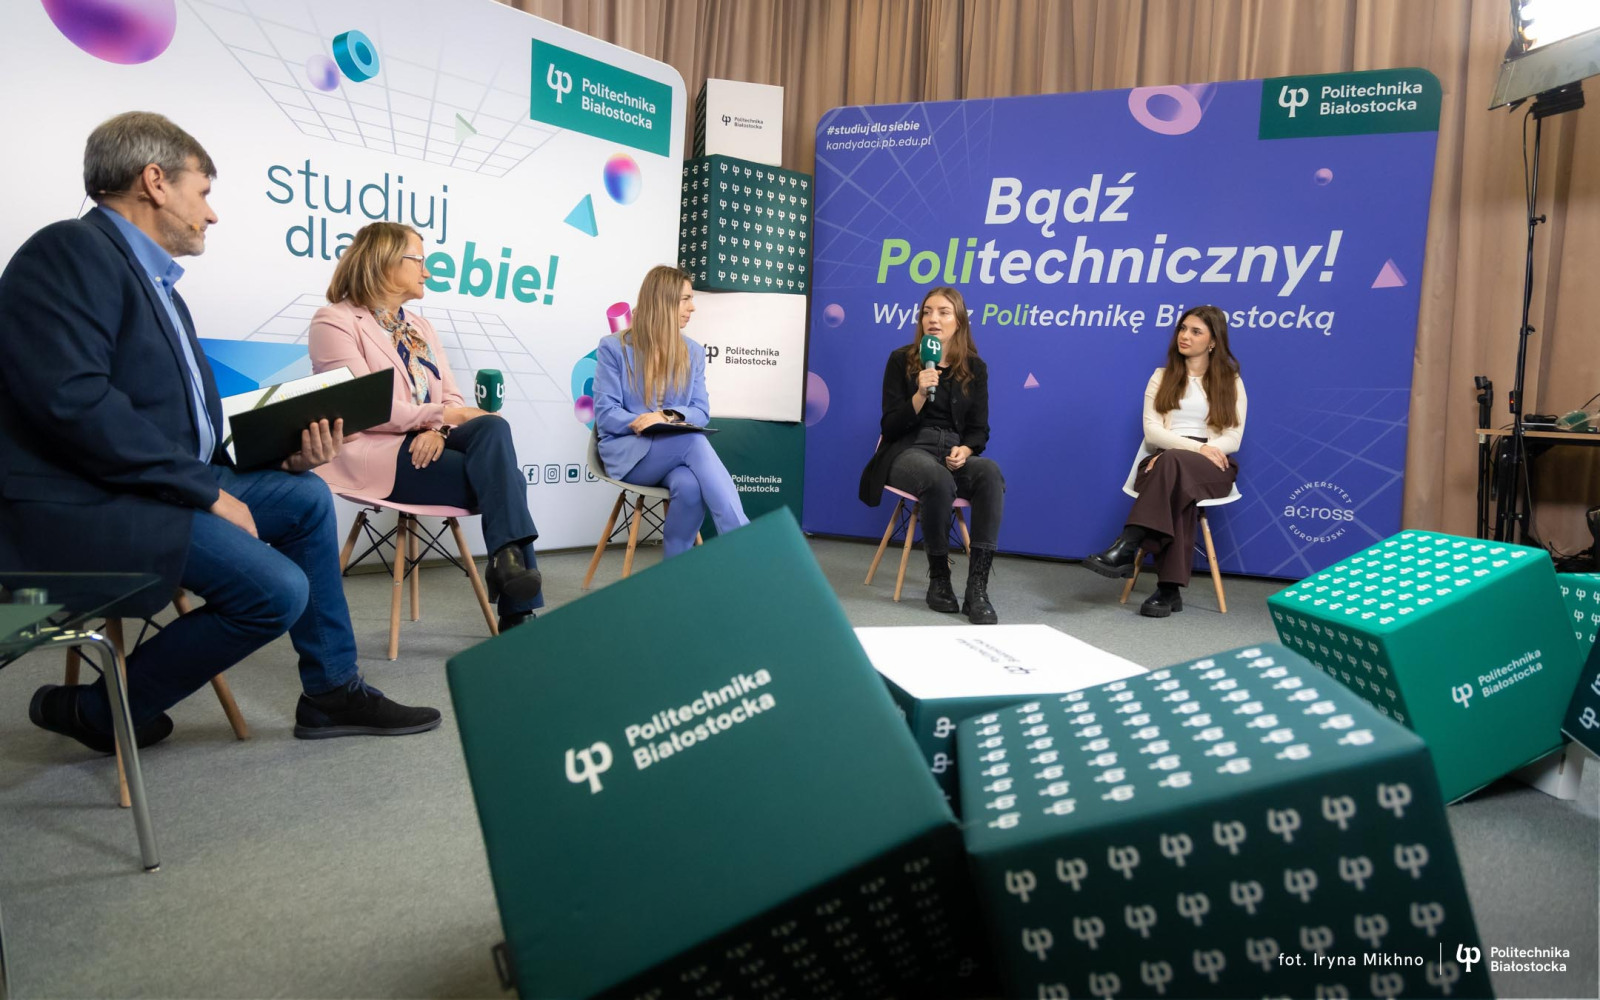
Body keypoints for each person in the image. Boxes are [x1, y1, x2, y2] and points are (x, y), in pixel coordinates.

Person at [0, 111, 440, 750]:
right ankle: (102, 709)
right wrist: (207, 492)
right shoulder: (68, 251)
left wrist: (282, 453)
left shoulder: (160, 287)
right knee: (276, 591)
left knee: (306, 496)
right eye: (203, 192)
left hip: (158, 484)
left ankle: (330, 691)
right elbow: (75, 403)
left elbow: (185, 425)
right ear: (155, 181)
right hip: (96, 501)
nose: (212, 214)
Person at [308, 223, 542, 631]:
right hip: (376, 452)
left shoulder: (421, 327)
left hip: (429, 441)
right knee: (510, 482)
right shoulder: (334, 322)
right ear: (384, 261)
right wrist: (443, 418)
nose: (428, 271)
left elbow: (450, 397)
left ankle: (507, 566)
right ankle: (516, 610)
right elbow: (369, 410)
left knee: (492, 426)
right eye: (419, 260)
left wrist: (439, 430)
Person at [1083, 304, 1247, 618]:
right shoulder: (1162, 377)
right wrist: (1193, 449)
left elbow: (1233, 437)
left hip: (1212, 466)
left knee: (1173, 468)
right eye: (1183, 329)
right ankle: (1168, 590)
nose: (1185, 336)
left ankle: (1128, 544)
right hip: (1163, 462)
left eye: (1195, 331)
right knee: (1176, 479)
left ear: (1213, 341)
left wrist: (1202, 451)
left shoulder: (1231, 380)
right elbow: (1153, 432)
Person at [858, 286, 1004, 624]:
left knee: (990, 473)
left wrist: (965, 450)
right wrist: (921, 394)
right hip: (907, 450)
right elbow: (890, 425)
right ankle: (939, 579)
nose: (933, 319)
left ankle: (977, 589)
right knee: (937, 479)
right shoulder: (901, 360)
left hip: (952, 450)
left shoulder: (975, 368)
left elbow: (979, 430)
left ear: (959, 321)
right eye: (927, 312)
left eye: (943, 312)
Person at [593, 265, 749, 557]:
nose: (693, 307)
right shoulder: (614, 348)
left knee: (689, 486)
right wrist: (644, 422)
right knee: (693, 440)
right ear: (662, 301)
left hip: (673, 454)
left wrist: (666, 417)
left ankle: (676, 571)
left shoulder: (693, 352)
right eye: (685, 299)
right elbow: (606, 414)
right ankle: (742, 542)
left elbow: (701, 411)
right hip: (629, 453)